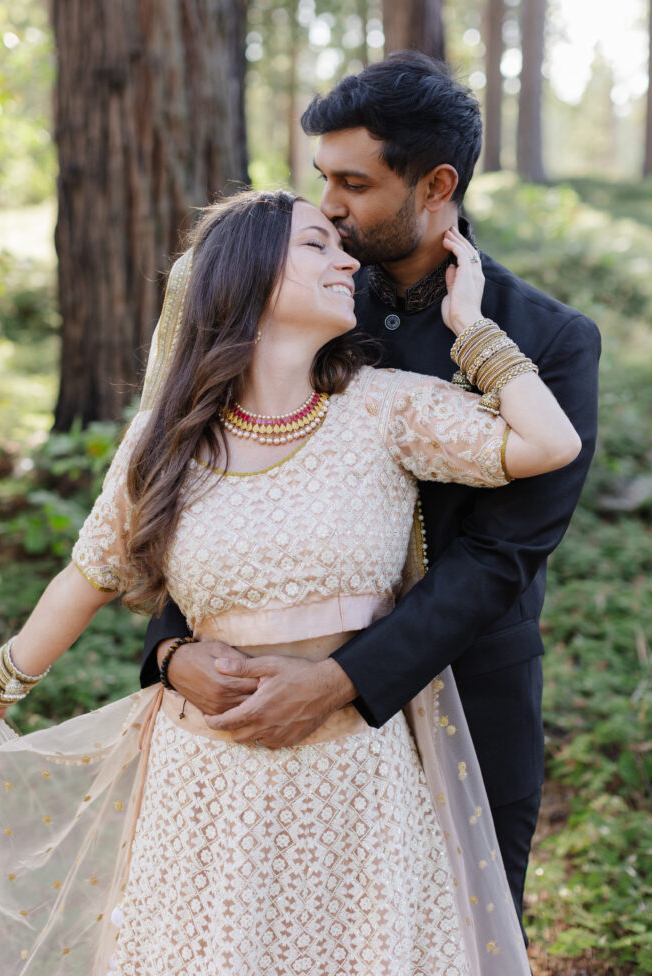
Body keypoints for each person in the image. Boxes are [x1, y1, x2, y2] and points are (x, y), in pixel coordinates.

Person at [0, 188, 582, 975]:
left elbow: (548, 442)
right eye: (315, 246)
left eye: (339, 245)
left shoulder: (385, 409)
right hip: (204, 782)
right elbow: (85, 579)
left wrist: (473, 328)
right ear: (249, 278)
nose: (346, 260)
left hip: (356, 779)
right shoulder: (167, 440)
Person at [141, 53, 601, 932]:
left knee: (467, 932)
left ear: (435, 185)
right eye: (322, 180)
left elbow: (503, 553)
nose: (328, 210)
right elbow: (214, 480)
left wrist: (342, 680)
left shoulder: (549, 339)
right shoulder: (297, 300)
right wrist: (170, 650)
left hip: (467, 690)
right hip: (263, 712)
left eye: (353, 183)